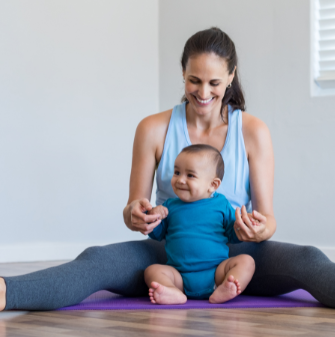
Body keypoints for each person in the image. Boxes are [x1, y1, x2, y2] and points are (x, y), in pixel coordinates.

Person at [1, 27, 335, 311]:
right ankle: (5, 292)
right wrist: (136, 213)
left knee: (308, 257)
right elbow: (133, 207)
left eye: (215, 82)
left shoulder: (253, 131)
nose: (203, 93)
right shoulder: (153, 128)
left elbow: (268, 219)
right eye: (194, 80)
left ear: (232, 75)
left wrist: (259, 230)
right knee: (97, 258)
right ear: (182, 73)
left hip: (233, 255)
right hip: (171, 250)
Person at [144, 144, 255, 304]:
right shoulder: (169, 206)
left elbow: (233, 234)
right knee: (152, 271)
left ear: (213, 185)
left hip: (217, 272)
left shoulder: (221, 204)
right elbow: (156, 234)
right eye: (177, 172)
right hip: (179, 275)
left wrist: (242, 225)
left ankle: (227, 287)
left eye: (190, 175)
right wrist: (154, 216)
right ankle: (172, 291)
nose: (180, 179)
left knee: (247, 261)